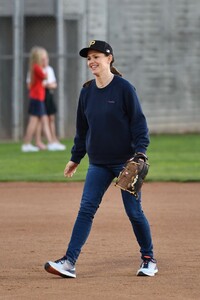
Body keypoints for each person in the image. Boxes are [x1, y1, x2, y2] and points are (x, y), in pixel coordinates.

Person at [44, 40, 158, 278]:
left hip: (125, 163)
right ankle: (69, 262)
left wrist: (140, 152)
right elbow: (82, 129)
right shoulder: (87, 91)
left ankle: (149, 259)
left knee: (134, 213)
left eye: (97, 56)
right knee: (86, 209)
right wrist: (75, 158)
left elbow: (139, 123)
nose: (92, 62)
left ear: (109, 59)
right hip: (98, 163)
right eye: (89, 58)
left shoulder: (124, 88)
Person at [22, 46, 62, 152]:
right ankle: (27, 144)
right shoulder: (36, 67)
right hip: (37, 98)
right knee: (34, 121)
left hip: (39, 98)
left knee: (42, 119)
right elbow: (44, 76)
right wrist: (44, 67)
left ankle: (49, 142)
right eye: (43, 57)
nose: (45, 59)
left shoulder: (35, 67)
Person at [33, 49, 66, 151]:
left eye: (46, 58)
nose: (45, 61)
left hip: (48, 95)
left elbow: (53, 84)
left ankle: (53, 139)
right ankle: (41, 141)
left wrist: (48, 85)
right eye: (42, 59)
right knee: (40, 119)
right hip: (40, 95)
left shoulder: (49, 69)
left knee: (51, 118)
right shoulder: (36, 69)